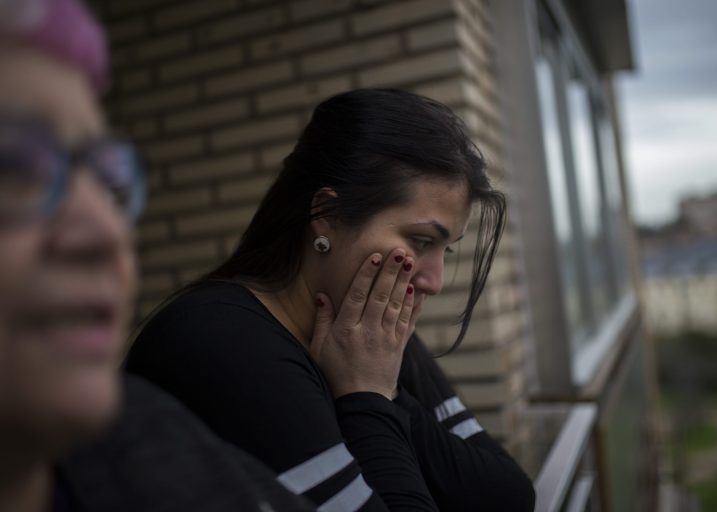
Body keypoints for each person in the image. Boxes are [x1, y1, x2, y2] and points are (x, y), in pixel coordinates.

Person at [126, 88, 536, 511]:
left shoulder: (370, 337)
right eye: (421, 241)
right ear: (327, 216)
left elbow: (509, 497)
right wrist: (366, 398)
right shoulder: (220, 343)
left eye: (444, 249)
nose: (434, 280)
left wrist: (382, 394)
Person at [0, 0, 313, 510]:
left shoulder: (152, 436)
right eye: (11, 163)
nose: (108, 232)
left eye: (107, 178)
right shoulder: (216, 333)